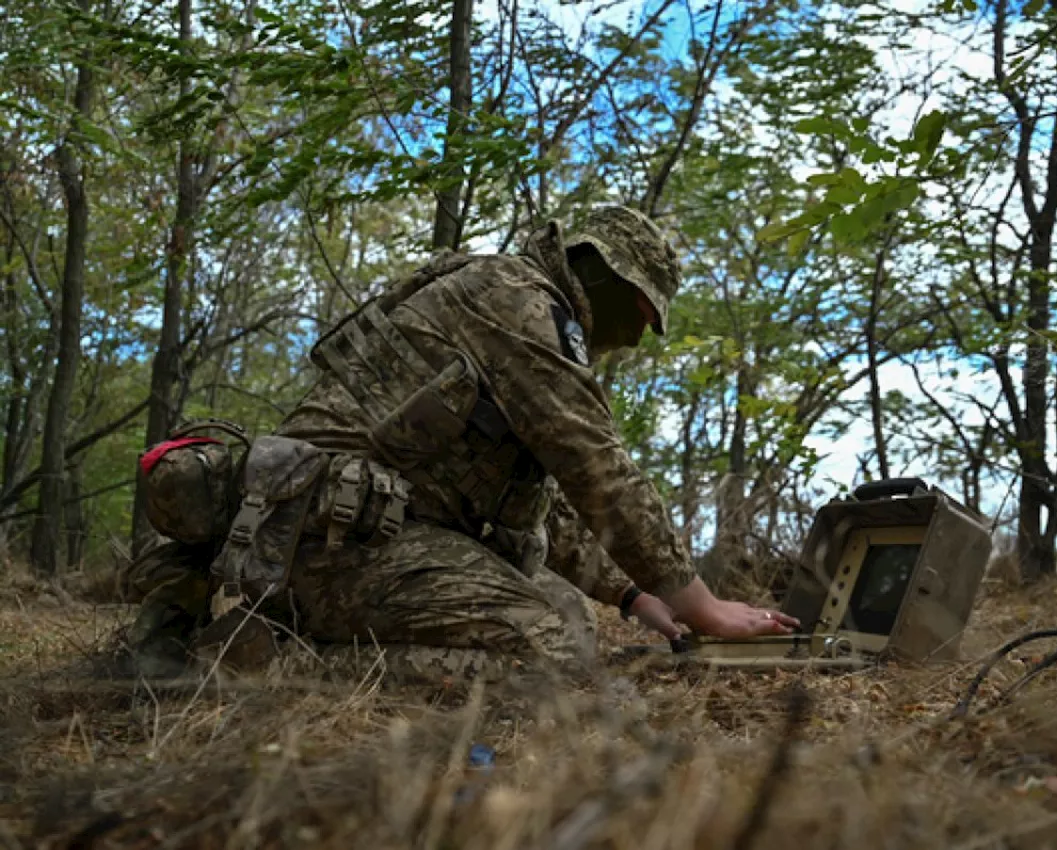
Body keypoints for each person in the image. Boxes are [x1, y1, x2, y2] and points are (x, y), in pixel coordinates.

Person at [120, 205, 798, 682]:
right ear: (599, 273)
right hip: (321, 542)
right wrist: (697, 601)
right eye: (639, 314)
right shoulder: (520, 303)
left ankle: (232, 620)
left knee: (570, 618)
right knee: (549, 649)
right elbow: (596, 466)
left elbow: (540, 499)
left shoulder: (511, 304)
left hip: (360, 534)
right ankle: (248, 654)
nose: (632, 336)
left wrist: (632, 595)